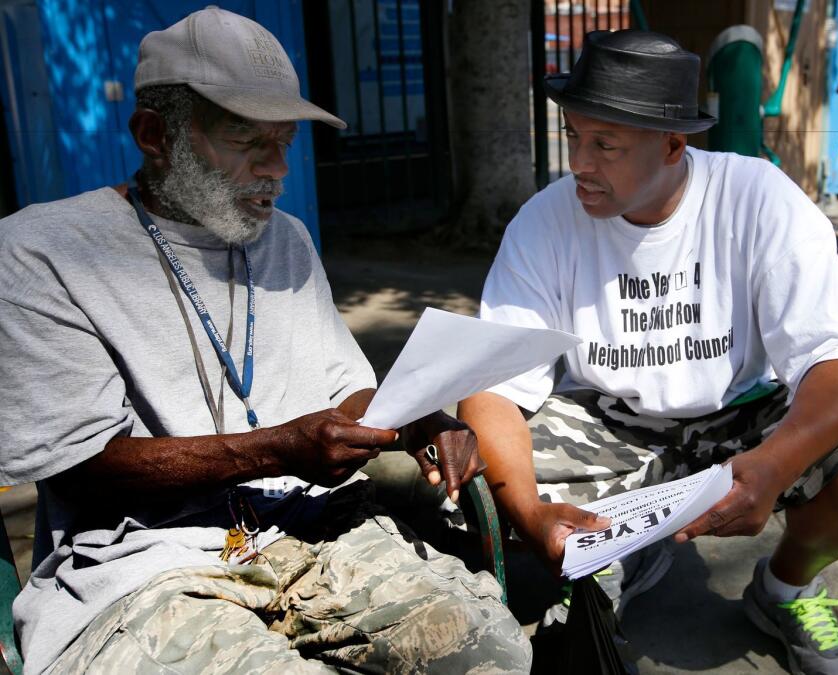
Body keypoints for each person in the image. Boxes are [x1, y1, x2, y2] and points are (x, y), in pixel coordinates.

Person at [0, 9, 530, 674]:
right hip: (145, 566)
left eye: (283, 143)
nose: (276, 170)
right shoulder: (41, 252)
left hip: (306, 527)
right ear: (154, 135)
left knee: (491, 653)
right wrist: (277, 446)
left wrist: (418, 414)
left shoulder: (286, 238)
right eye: (248, 142)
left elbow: (345, 391)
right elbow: (84, 466)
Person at [458, 30, 838, 675]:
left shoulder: (756, 196)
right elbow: (494, 385)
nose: (581, 162)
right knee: (467, 482)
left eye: (606, 145)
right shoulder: (545, 220)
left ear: (674, 144)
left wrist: (775, 466)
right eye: (573, 136)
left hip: (744, 416)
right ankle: (621, 554)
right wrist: (529, 515)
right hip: (611, 420)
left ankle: (785, 590)